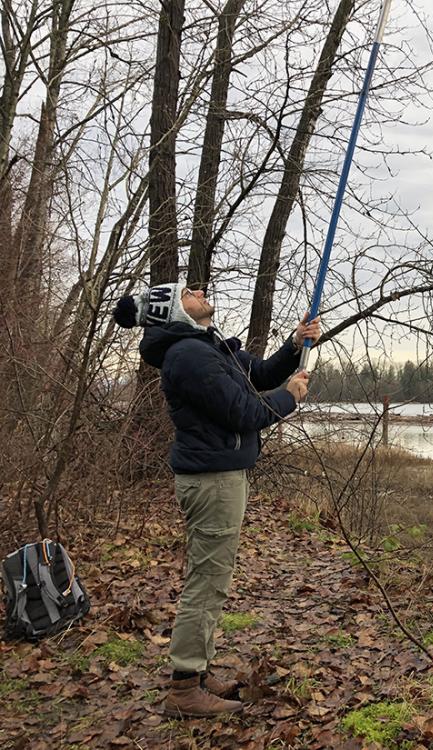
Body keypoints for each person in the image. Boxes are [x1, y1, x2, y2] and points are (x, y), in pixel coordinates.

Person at [113, 281, 318, 717]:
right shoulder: (188, 356)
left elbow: (256, 376)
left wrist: (293, 343)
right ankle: (185, 688)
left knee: (212, 580)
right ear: (172, 310)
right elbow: (247, 412)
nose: (200, 290)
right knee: (206, 583)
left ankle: (199, 674)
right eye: (188, 291)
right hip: (212, 481)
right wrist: (291, 398)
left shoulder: (205, 348)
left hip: (220, 475)